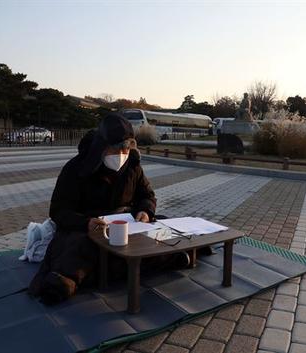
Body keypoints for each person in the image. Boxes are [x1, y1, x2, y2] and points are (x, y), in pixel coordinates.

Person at [28, 113, 188, 304]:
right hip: (89, 225)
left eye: (126, 148)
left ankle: (170, 256)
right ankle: (64, 282)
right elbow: (59, 211)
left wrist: (145, 212)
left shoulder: (133, 165)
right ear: (101, 146)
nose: (122, 154)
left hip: (127, 222)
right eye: (116, 148)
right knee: (80, 246)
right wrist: (85, 223)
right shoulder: (76, 168)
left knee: (164, 228)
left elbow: (147, 196)